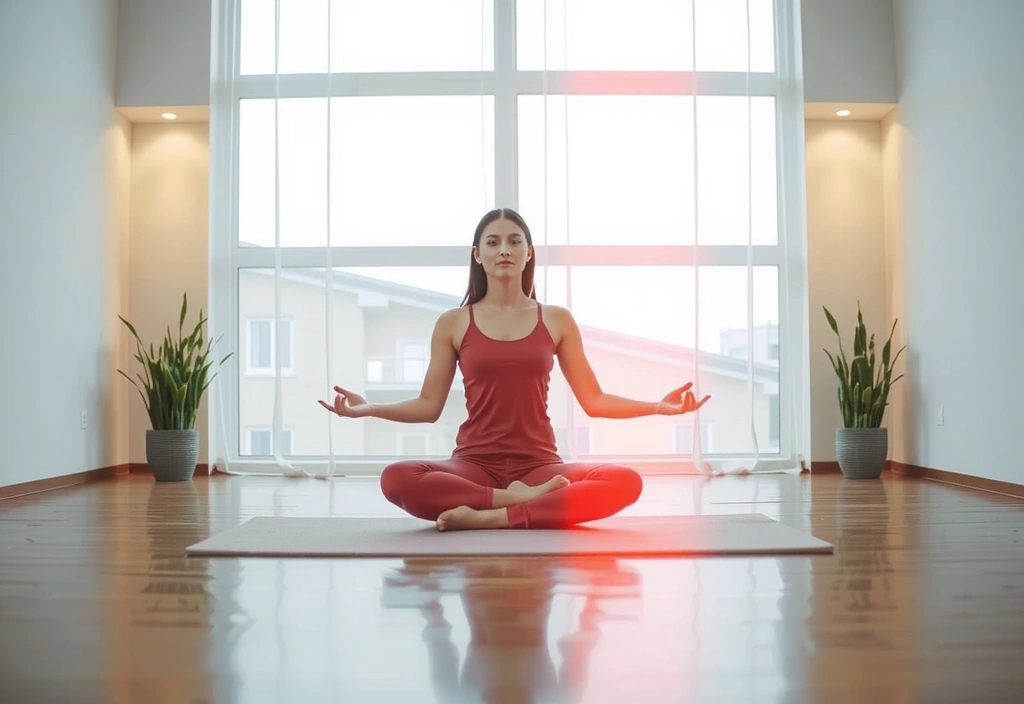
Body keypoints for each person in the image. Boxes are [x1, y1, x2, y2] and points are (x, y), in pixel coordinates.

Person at [319, 207, 709, 531]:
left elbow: (595, 400)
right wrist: (369, 408)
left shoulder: (556, 320)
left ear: (528, 253)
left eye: (514, 241)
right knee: (396, 477)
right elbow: (428, 406)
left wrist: (660, 407)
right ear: (477, 254)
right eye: (493, 242)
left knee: (625, 481)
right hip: (473, 465)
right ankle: (518, 504)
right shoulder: (453, 323)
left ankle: (493, 518)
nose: (504, 249)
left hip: (541, 466)